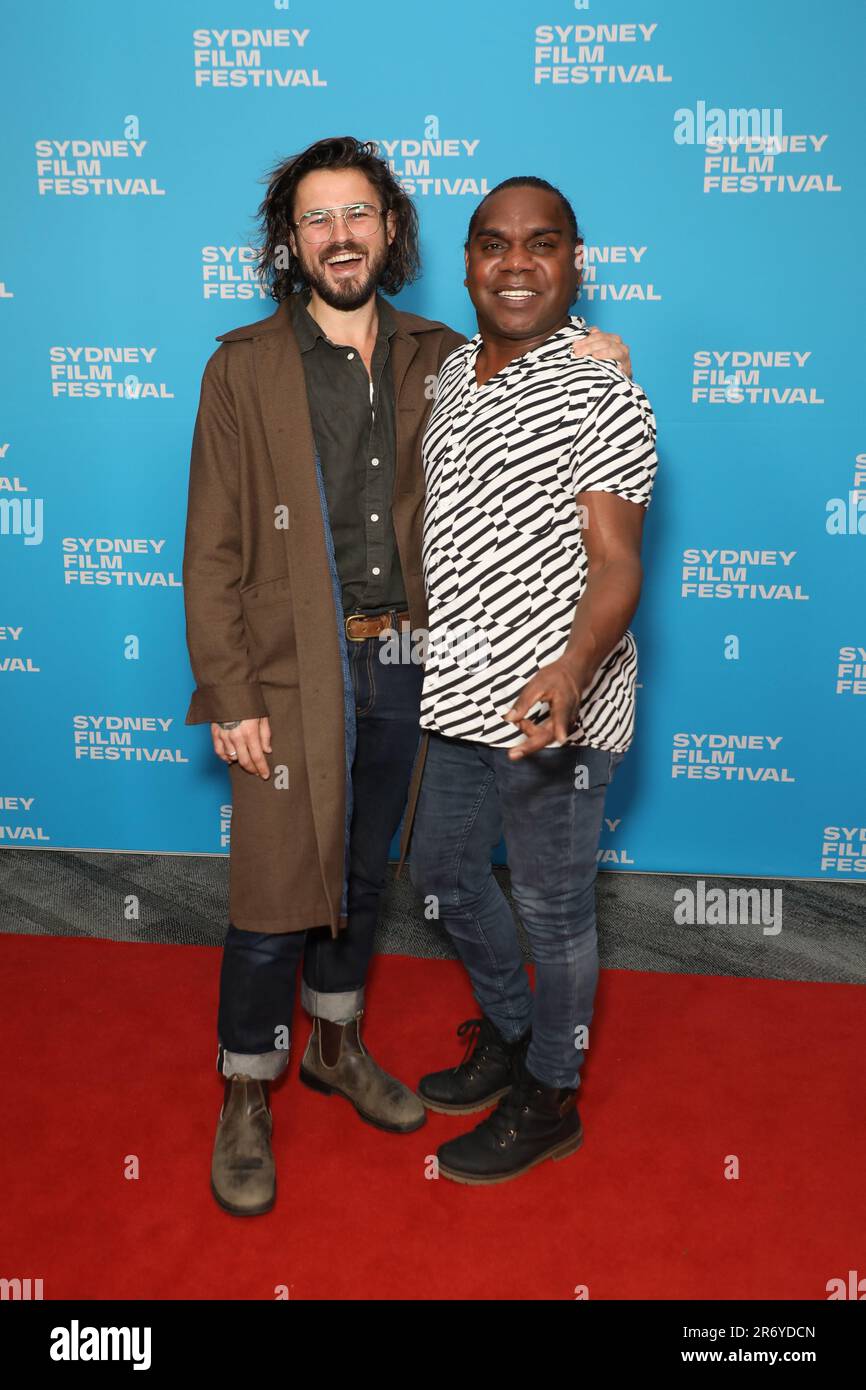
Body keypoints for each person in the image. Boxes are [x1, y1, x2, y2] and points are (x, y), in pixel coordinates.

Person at [182, 137, 633, 1216]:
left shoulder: (437, 353)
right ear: (289, 243)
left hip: (412, 664)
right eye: (315, 219)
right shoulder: (241, 365)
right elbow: (211, 548)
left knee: (362, 872)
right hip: (291, 665)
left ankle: (335, 1043)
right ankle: (248, 1085)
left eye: (357, 214)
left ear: (390, 229)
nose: (339, 235)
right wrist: (231, 693)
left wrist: (592, 353)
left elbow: (526, 354)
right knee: (270, 890)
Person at [407, 176, 659, 1185]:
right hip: (457, 695)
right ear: (466, 261)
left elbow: (617, 562)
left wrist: (567, 670)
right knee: (439, 875)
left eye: (540, 244)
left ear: (572, 260)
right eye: (492, 244)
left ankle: (551, 1094)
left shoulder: (606, 390)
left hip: (560, 706)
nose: (514, 264)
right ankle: (513, 1032)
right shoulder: (447, 374)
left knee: (553, 910)